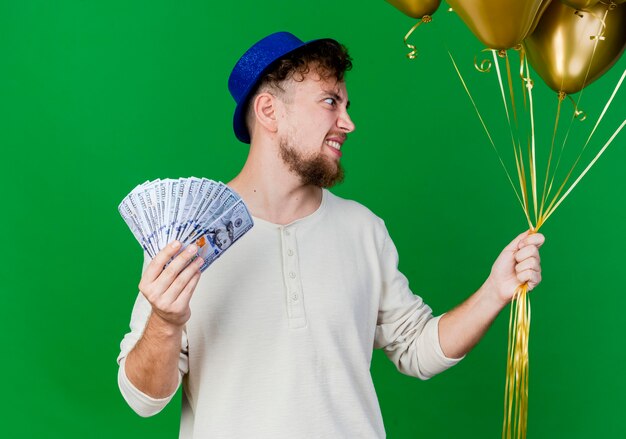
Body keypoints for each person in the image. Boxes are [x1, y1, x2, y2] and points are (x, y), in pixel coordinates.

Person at [117, 31, 544, 438]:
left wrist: (494, 290)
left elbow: (416, 349)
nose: (348, 123)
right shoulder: (190, 236)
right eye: (329, 102)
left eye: (346, 104)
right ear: (269, 111)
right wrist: (166, 321)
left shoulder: (364, 229)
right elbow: (144, 400)